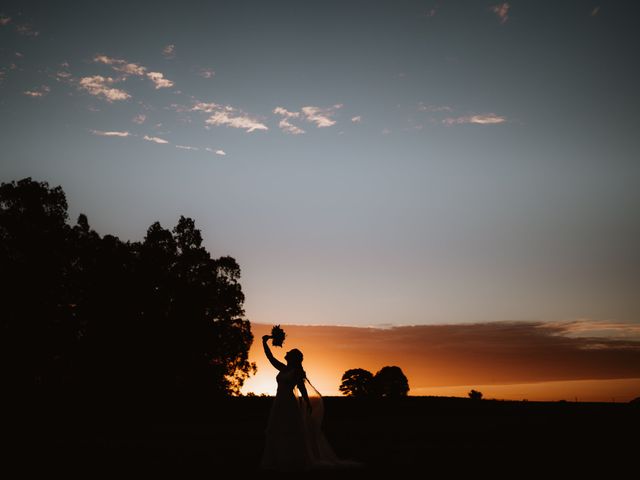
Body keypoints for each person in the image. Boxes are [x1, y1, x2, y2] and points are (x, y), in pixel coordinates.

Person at [260, 334, 359, 471]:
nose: (286, 352)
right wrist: (264, 342)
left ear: (293, 358)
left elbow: (302, 389)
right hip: (278, 403)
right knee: (278, 429)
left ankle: (294, 459)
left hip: (289, 404)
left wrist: (307, 403)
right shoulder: (283, 369)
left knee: (291, 431)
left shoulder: (297, 372)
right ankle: (281, 458)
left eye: (289, 353)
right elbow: (270, 357)